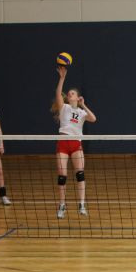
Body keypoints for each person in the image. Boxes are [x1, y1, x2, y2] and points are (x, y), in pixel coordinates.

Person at [52, 66, 97, 218]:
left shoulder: (81, 112)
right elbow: (58, 93)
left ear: (77, 98)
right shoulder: (64, 107)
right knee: (62, 175)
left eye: (73, 93)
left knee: (80, 174)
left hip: (76, 144)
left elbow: (93, 119)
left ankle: (82, 204)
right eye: (69, 93)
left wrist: (83, 104)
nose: (70, 94)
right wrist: (62, 78)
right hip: (63, 143)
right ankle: (62, 205)